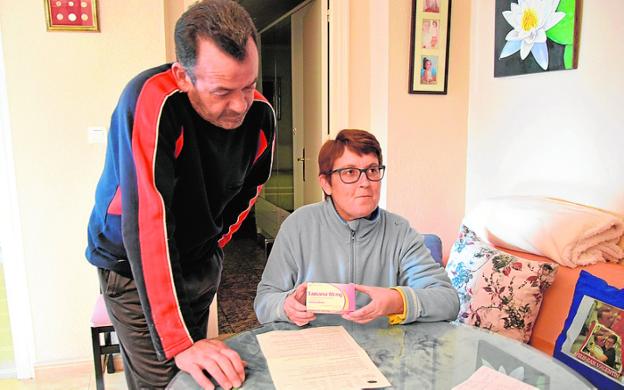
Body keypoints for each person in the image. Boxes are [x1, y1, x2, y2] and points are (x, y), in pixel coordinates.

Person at [85, 1, 275, 389]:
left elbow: (247, 192)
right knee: (164, 382)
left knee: (197, 377)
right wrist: (177, 342)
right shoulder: (151, 100)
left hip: (197, 258)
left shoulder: (259, 114)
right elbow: (147, 222)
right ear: (183, 76)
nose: (240, 104)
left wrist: (210, 246)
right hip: (133, 264)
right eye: (222, 91)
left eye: (249, 85)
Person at [254, 129, 459, 326]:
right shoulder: (298, 226)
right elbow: (264, 302)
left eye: (372, 170)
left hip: (381, 352)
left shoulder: (400, 231)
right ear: (326, 183)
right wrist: (286, 306)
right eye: (350, 172)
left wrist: (396, 301)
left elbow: (448, 301)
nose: (366, 183)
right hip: (314, 349)